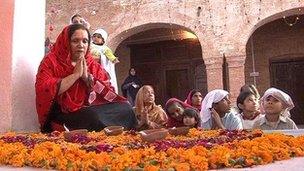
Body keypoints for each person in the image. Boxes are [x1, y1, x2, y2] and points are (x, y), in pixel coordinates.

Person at [35, 24, 136, 132]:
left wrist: (88, 78)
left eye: (85, 41)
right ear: (65, 42)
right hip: (65, 111)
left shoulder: (91, 63)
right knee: (92, 116)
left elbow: (108, 90)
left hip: (91, 106)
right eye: (75, 41)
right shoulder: (51, 61)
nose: (81, 45)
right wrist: (75, 76)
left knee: (126, 108)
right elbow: (43, 89)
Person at [90, 29, 119, 93]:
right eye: (94, 36)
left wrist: (113, 59)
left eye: (98, 37)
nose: (96, 38)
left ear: (103, 40)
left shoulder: (105, 48)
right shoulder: (90, 46)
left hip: (98, 68)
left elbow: (110, 55)